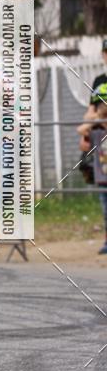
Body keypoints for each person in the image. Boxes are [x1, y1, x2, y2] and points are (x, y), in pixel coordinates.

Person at [78, 83, 107, 255]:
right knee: (105, 212)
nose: (103, 109)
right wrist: (96, 119)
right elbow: (80, 130)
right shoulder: (95, 130)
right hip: (103, 177)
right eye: (100, 106)